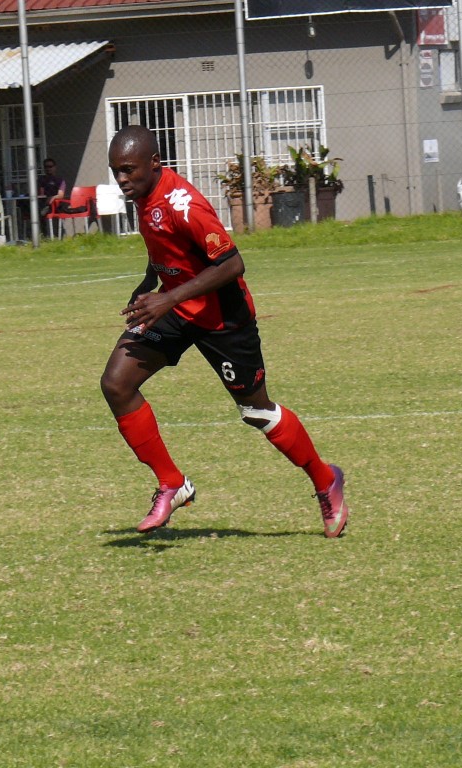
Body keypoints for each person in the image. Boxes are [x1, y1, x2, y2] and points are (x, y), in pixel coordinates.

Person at [99, 125, 348, 537]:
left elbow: (232, 264)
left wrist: (167, 298)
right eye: (116, 171)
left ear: (154, 163)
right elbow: (169, 243)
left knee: (257, 412)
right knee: (116, 383)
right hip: (176, 309)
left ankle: (326, 479)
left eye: (128, 170)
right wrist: (152, 280)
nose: (121, 179)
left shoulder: (185, 206)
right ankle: (172, 483)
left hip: (223, 318)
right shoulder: (143, 193)